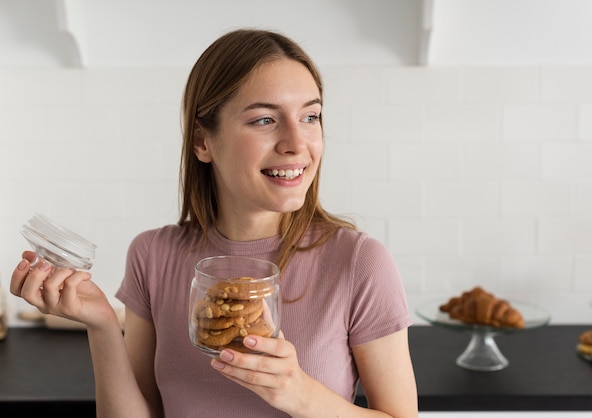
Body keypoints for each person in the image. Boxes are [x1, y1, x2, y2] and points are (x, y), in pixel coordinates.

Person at [10, 29, 418, 417]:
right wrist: (100, 326)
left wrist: (300, 394)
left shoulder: (359, 262)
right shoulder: (154, 255)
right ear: (203, 142)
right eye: (265, 120)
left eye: (311, 117)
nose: (297, 143)